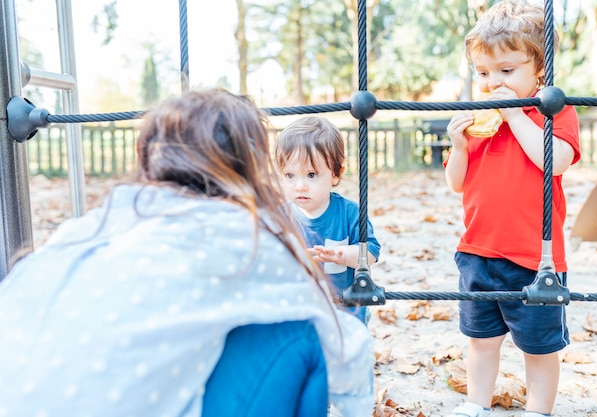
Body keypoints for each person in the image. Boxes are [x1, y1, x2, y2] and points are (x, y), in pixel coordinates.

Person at [0, 89, 375, 417]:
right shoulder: (246, 231)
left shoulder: (94, 223)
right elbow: (346, 351)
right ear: (250, 165)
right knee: (300, 333)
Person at [444, 1, 580, 417]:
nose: (492, 82)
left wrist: (513, 115)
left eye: (506, 71)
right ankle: (476, 405)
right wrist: (459, 146)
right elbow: (457, 184)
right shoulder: (476, 116)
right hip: (478, 252)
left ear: (538, 68)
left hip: (534, 257)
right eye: (483, 73)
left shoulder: (551, 110)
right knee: (480, 340)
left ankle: (539, 410)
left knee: (539, 348)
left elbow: (553, 161)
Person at [275, 116, 381, 325]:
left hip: (345, 311)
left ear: (335, 174)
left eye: (311, 175)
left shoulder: (350, 212)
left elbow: (371, 252)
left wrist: (341, 255)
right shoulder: (279, 217)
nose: (300, 186)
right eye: (289, 175)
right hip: (299, 309)